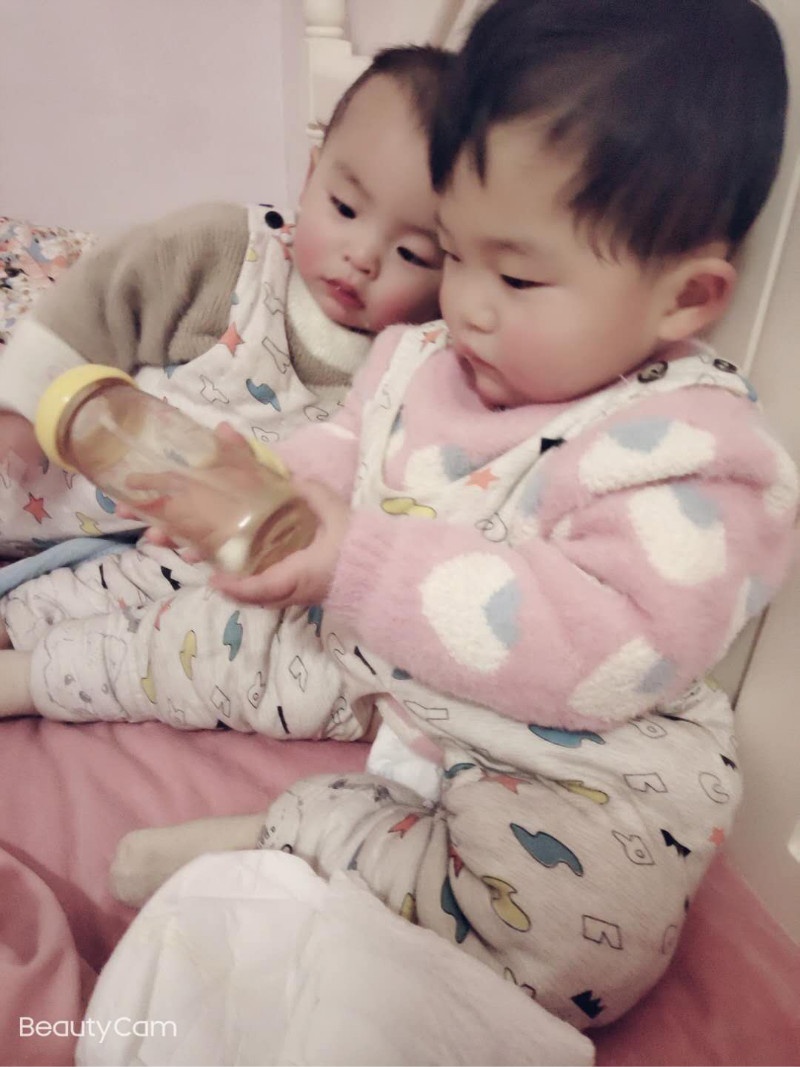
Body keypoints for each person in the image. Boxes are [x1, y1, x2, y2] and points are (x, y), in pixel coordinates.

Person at [3, 0, 799, 1031]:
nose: (465, 304)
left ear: (684, 297)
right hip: (376, 664)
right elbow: (346, 449)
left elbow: (613, 647)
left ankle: (300, 834)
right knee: (211, 622)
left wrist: (360, 561)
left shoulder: (694, 449)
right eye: (455, 254)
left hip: (555, 750)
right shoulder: (425, 355)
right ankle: (37, 670)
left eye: (516, 274)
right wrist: (265, 491)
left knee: (586, 938)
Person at [0, 44, 449, 556]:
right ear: (310, 179)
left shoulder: (416, 372)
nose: (362, 256)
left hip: (143, 557)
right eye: (345, 208)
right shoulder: (223, 250)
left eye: (412, 254)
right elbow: (89, 306)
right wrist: (19, 406)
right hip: (45, 476)